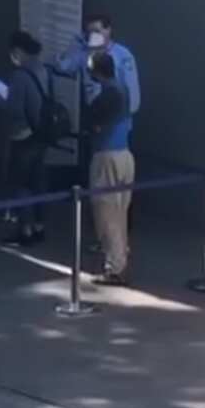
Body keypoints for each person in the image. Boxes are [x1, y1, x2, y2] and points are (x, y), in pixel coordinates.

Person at [57, 13, 140, 183]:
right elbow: (62, 66)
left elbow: (133, 98)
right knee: (95, 180)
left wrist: (113, 120)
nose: (93, 35)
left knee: (110, 183)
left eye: (97, 30)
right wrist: (75, 44)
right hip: (94, 127)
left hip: (115, 128)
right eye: (89, 32)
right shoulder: (84, 54)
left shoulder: (122, 55)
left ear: (108, 30)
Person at [83, 52, 134, 286]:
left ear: (95, 71)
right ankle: (119, 258)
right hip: (124, 154)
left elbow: (93, 124)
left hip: (106, 156)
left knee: (107, 214)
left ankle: (114, 268)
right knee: (120, 211)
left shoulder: (105, 96)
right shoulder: (123, 89)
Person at [1, 30, 49, 247]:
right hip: (41, 133)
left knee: (20, 182)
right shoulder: (42, 70)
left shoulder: (19, 76)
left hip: (23, 136)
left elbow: (14, 110)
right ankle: (39, 226)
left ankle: (25, 228)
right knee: (37, 181)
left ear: (18, 52)